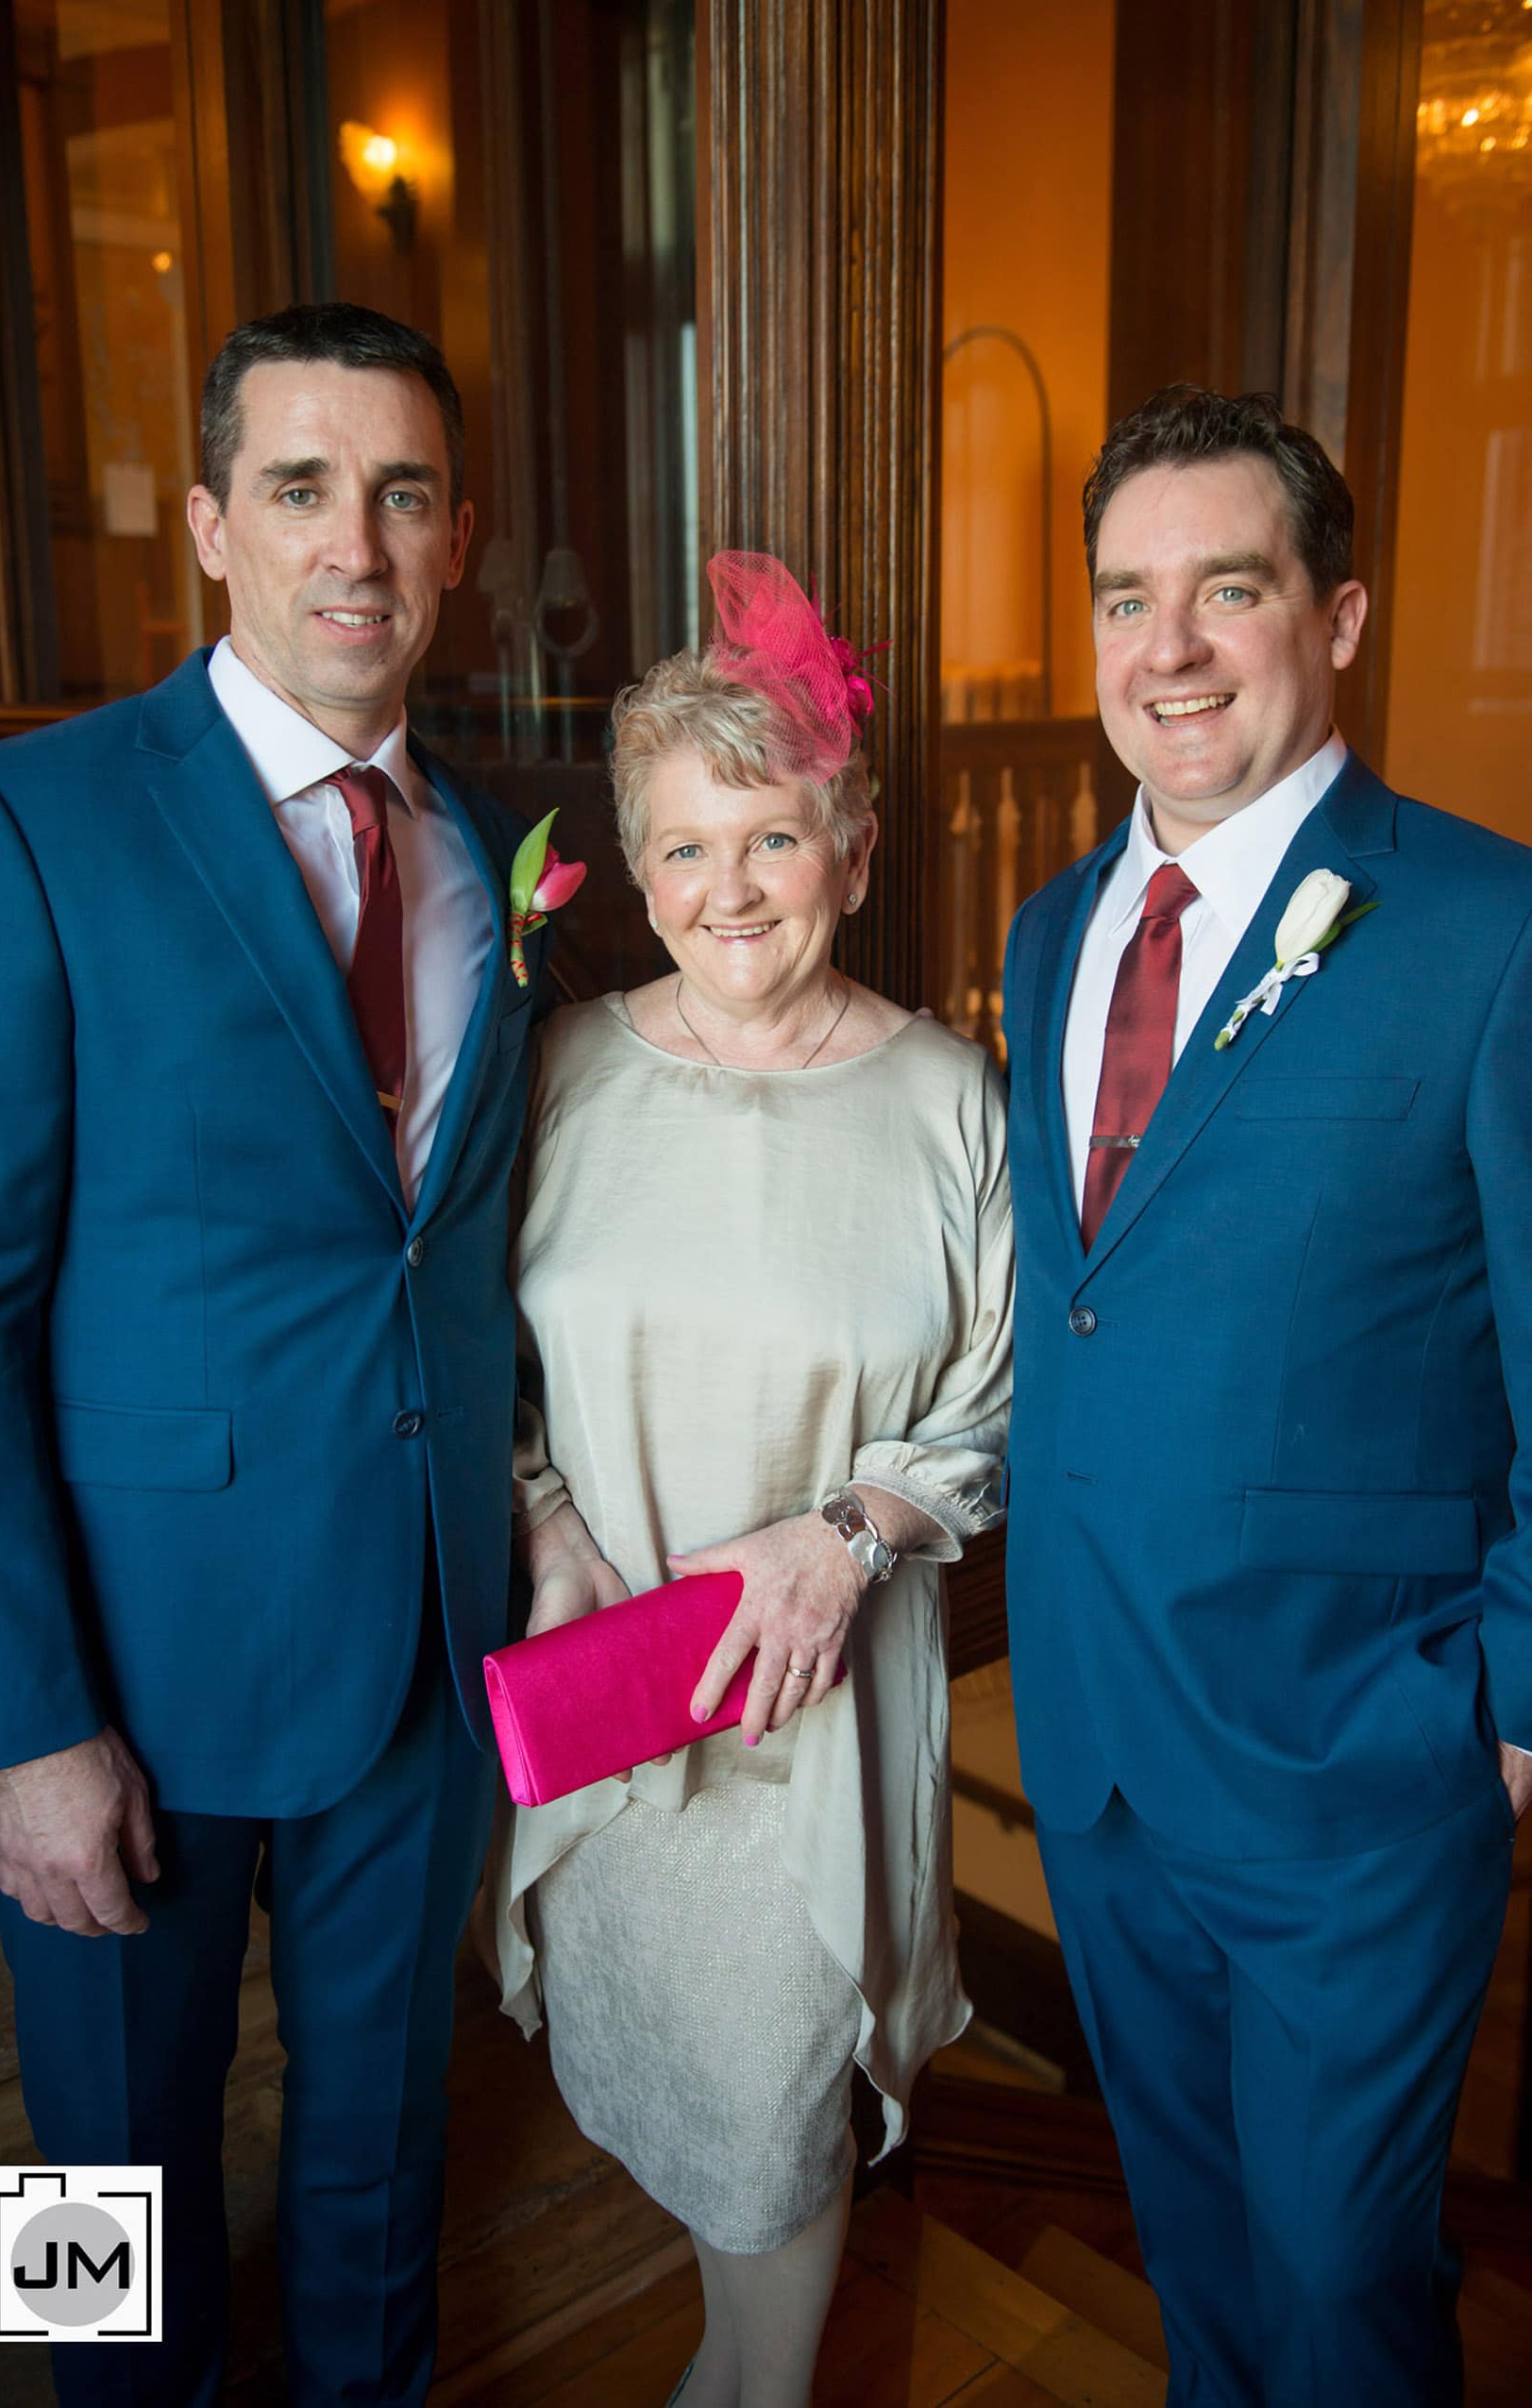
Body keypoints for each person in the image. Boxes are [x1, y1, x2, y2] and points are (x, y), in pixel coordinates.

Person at [0, 303, 547, 2406]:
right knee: (95, 2173)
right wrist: (22, 1727)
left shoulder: (492, 850)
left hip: (423, 1646)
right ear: (212, 525)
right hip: (131, 1670)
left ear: (455, 536)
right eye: (300, 488)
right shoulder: (23, 824)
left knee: (385, 2144)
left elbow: (448, 1255)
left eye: (400, 493)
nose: (353, 544)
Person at [1001, 383, 1532, 2407]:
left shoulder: (1492, 931)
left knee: (1338, 2291)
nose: (1170, 650)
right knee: (1200, 2259)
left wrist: (1506, 1710)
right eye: (1125, 599)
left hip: (1358, 1760)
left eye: (1228, 589)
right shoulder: (1053, 931)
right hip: (1098, 1751)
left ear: (1340, 616)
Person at [484, 551, 1013, 2408]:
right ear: (638, 874)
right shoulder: (559, 1071)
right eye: (686, 848)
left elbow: (1001, 1399)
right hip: (614, 1719)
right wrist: (544, 1516)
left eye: (772, 839)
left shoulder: (953, 1103)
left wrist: (849, 1531)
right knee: (695, 2165)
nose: (729, 889)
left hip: (815, 1743)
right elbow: (471, 1362)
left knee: (778, 2157)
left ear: (850, 854)